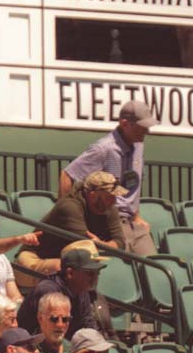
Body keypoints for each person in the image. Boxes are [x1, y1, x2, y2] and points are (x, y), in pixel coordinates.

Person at [59, 101, 153, 253]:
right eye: (142, 126)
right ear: (125, 124)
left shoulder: (139, 146)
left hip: (134, 225)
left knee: (156, 268)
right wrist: (67, 215)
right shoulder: (103, 148)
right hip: (113, 223)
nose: (147, 131)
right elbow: (67, 175)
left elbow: (133, 186)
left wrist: (137, 216)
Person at [18, 240, 112, 338]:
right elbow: (48, 335)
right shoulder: (48, 291)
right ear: (70, 273)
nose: (95, 278)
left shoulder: (82, 291)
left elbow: (88, 325)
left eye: (97, 273)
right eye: (90, 273)